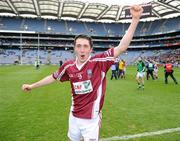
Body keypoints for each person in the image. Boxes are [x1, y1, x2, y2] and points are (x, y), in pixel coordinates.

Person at [21, 5, 143, 141]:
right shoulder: (68, 66)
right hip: (73, 117)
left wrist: (135, 19)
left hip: (91, 120)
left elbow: (122, 47)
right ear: (74, 49)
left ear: (91, 49)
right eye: (78, 46)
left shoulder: (99, 61)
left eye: (85, 46)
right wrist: (32, 86)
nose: (82, 50)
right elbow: (53, 77)